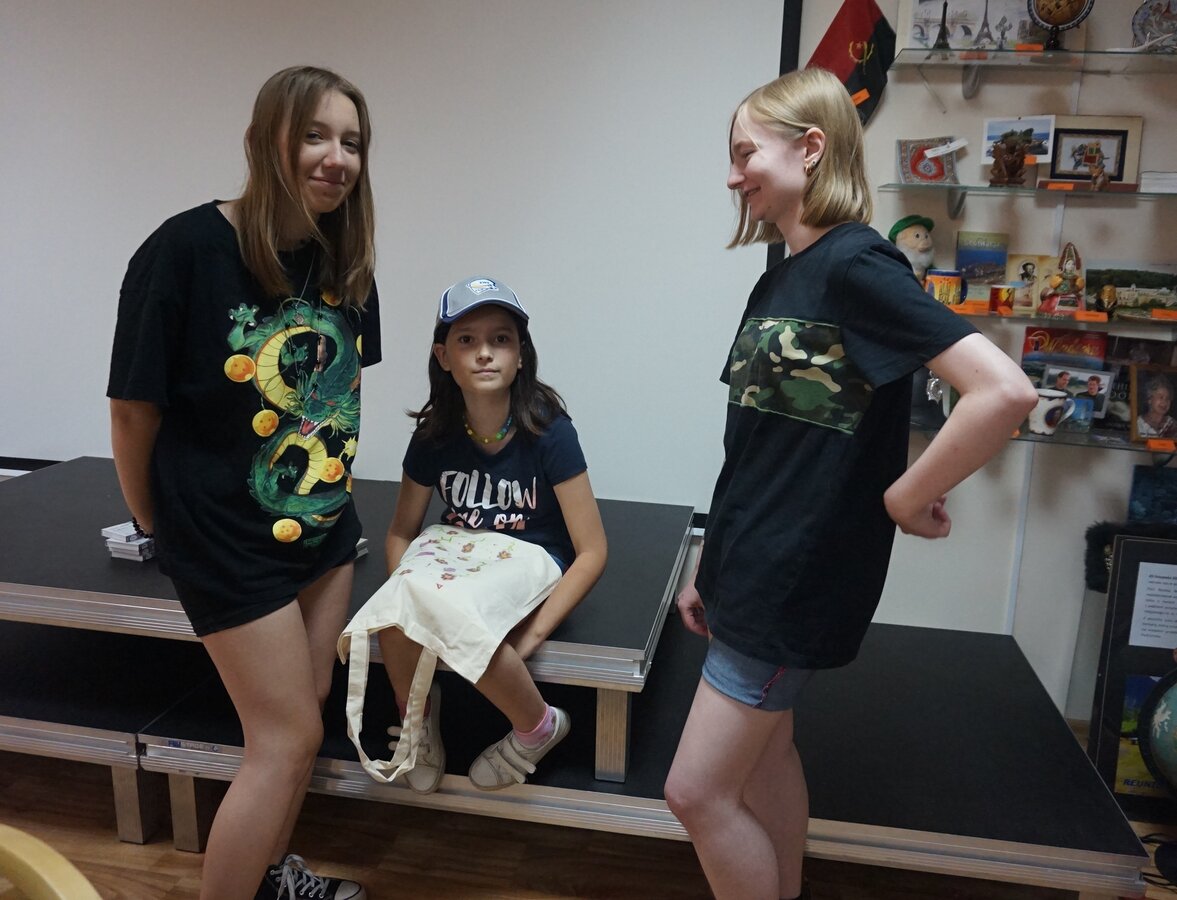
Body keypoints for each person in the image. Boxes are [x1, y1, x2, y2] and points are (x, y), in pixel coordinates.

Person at [662, 68, 1037, 900]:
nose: (731, 176)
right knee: (766, 760)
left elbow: (1002, 392)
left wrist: (902, 497)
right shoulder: (782, 275)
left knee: (695, 793)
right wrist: (710, 562)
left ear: (809, 148)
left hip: (790, 577)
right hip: (748, 565)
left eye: (744, 154)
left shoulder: (856, 264)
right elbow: (759, 445)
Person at [107, 66, 380, 900]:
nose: (336, 158)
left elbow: (336, 392)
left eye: (352, 142)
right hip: (225, 538)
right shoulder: (185, 249)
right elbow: (132, 412)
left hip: (323, 527)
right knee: (284, 739)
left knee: (306, 712)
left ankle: (269, 880)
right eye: (315, 135)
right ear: (265, 140)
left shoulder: (342, 257)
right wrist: (162, 528)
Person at [341, 277, 606, 795]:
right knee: (395, 613)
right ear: (443, 356)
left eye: (500, 339)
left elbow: (593, 551)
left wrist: (532, 636)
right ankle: (416, 719)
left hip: (530, 553)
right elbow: (400, 532)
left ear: (521, 354)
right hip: (458, 553)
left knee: (455, 615)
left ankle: (538, 726)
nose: (485, 353)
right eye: (467, 340)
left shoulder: (550, 430)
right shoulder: (434, 433)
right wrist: (409, 594)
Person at [887, 214, 935, 285]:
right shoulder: (897, 268)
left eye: (926, 236)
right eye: (917, 236)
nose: (925, 241)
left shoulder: (931, 270)